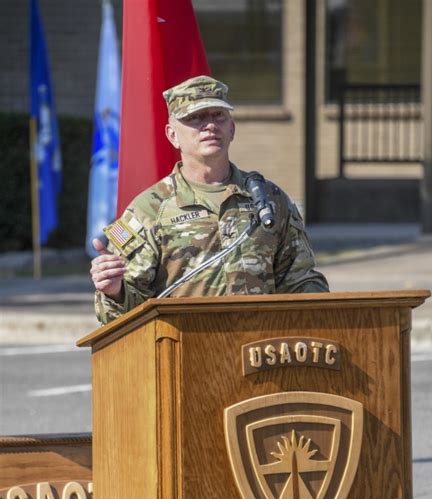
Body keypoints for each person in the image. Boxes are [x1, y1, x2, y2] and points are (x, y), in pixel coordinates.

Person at [90, 76, 329, 325]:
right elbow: (122, 315)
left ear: (232, 129)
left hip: (260, 351)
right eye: (195, 118)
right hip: (185, 351)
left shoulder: (269, 199)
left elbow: (301, 281)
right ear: (172, 135)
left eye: (218, 115)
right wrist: (114, 290)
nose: (210, 125)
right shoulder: (149, 209)